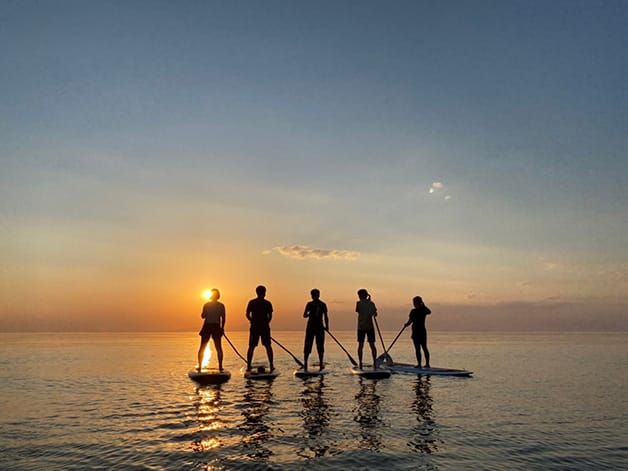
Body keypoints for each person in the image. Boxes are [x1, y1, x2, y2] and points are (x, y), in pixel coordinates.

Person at [246, 285, 275, 371]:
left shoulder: (252, 302)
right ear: (264, 293)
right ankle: (271, 365)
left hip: (258, 327)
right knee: (266, 346)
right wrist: (265, 323)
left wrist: (252, 320)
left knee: (253, 346)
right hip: (261, 327)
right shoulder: (267, 303)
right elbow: (270, 317)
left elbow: (247, 315)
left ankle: (249, 366)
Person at [197, 288, 225, 372]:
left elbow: (203, 316)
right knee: (218, 347)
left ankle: (200, 366)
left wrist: (222, 328)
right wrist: (222, 328)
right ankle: (220, 366)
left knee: (203, 347)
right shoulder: (221, 305)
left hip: (209, 326)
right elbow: (223, 318)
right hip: (215, 326)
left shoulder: (206, 305)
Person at [302, 288, 329, 371]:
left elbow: (326, 316)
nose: (314, 297)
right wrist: (310, 313)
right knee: (308, 345)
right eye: (314, 295)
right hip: (311, 327)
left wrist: (327, 326)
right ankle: (306, 363)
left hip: (319, 327)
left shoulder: (322, 304)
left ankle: (321, 363)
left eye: (315, 295)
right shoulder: (309, 304)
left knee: (320, 345)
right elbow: (304, 315)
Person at [404, 296, 431, 368]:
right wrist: (406, 324)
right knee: (417, 348)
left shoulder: (423, 310)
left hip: (422, 331)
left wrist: (423, 305)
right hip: (415, 332)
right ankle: (419, 364)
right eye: (414, 303)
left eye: (415, 303)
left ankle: (427, 364)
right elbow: (410, 321)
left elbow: (429, 312)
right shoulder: (413, 311)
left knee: (424, 347)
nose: (414, 304)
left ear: (419, 303)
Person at [355, 288, 378, 370]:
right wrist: (369, 302)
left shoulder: (359, 303)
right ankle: (374, 362)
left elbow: (358, 310)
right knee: (372, 345)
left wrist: (369, 302)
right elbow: (375, 314)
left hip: (362, 327)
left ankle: (360, 362)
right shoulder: (371, 304)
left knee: (361, 345)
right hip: (368, 327)